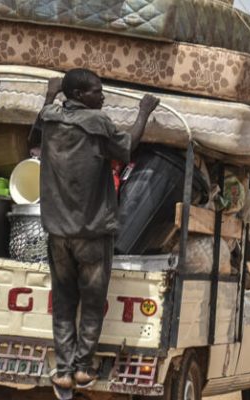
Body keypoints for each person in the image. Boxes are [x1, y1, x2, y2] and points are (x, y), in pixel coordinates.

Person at [29, 68, 160, 395]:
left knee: (63, 301)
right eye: (96, 91)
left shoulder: (49, 118)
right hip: (92, 233)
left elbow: (34, 134)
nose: (102, 97)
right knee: (90, 302)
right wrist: (144, 111)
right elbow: (128, 146)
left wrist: (50, 94)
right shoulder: (98, 123)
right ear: (78, 95)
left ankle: (62, 371)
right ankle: (82, 368)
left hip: (58, 232)